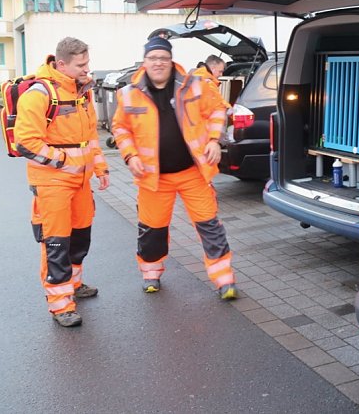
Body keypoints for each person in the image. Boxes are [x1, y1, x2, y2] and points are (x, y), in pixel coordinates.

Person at [111, 36, 238, 300]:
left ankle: (224, 279)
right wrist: (130, 155)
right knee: (152, 229)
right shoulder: (127, 93)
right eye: (153, 58)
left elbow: (217, 110)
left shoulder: (195, 86)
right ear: (144, 62)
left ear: (171, 61)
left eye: (163, 58)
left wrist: (215, 140)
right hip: (152, 177)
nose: (158, 63)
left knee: (209, 225)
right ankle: (151, 274)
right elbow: (120, 128)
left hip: (193, 173)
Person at [14, 37, 110, 328]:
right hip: (52, 183)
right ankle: (60, 305)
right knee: (56, 243)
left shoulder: (81, 91)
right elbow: (26, 143)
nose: (86, 69)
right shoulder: (39, 93)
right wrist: (67, 162)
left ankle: (74, 286)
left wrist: (100, 167)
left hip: (80, 180)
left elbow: (90, 136)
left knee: (80, 237)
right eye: (80, 65)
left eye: (87, 63)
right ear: (61, 64)